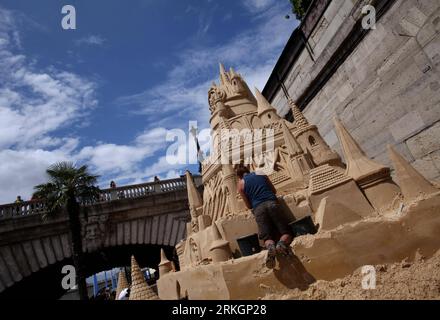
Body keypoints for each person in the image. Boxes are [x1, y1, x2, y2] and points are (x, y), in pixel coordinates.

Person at [236, 166, 293, 269]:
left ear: (239, 176)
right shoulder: (260, 173)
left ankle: (271, 247)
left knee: (267, 238)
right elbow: (273, 190)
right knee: (286, 232)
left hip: (258, 209)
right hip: (272, 203)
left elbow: (249, 206)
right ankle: (281, 244)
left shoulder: (240, 185)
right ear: (248, 171)